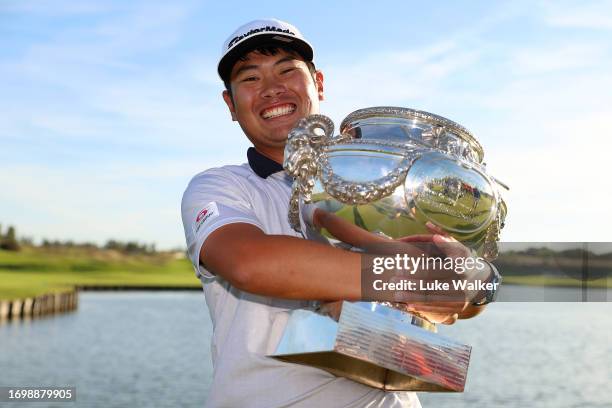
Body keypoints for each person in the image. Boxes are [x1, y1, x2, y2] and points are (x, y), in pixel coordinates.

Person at [181, 18, 495, 408]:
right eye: (249, 79)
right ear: (230, 104)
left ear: (320, 84)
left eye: (287, 70)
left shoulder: (386, 182)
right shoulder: (220, 186)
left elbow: (468, 283)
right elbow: (250, 263)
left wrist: (477, 285)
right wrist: (413, 277)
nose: (271, 89)